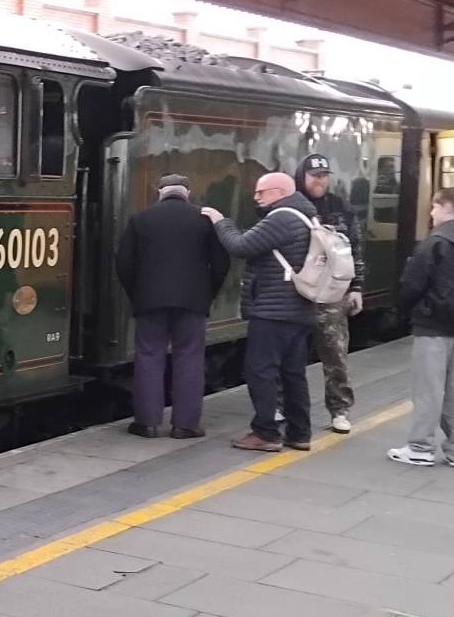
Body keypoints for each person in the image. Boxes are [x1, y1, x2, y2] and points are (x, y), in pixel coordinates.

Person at [202, 171, 317, 452]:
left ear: (280, 192)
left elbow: (241, 246)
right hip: (298, 309)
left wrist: (221, 221)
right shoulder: (306, 216)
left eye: (261, 192)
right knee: (293, 373)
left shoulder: (282, 217)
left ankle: (265, 433)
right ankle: (299, 433)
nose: (256, 197)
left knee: (260, 371)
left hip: (273, 310)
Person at [115, 174, 229, 438]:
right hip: (193, 303)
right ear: (187, 192)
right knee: (190, 358)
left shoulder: (140, 219)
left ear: (160, 191)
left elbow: (123, 263)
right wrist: (207, 295)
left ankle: (147, 424)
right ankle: (185, 426)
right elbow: (221, 263)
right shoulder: (204, 219)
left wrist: (137, 295)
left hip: (150, 301)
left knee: (149, 356)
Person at [389, 188, 454, 467]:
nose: (431, 212)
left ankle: (420, 447)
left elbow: (412, 283)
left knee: (428, 389)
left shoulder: (434, 243)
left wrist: (400, 312)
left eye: (435, 206)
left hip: (432, 326)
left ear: (448, 209)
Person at [294, 154, 365, 433]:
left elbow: (354, 249)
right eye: (315, 176)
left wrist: (357, 287)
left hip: (333, 293)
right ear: (302, 177)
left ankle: (340, 409)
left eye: (324, 176)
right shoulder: (291, 206)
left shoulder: (340, 208)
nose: (320, 181)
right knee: (290, 355)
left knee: (335, 354)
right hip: (297, 292)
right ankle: (283, 405)